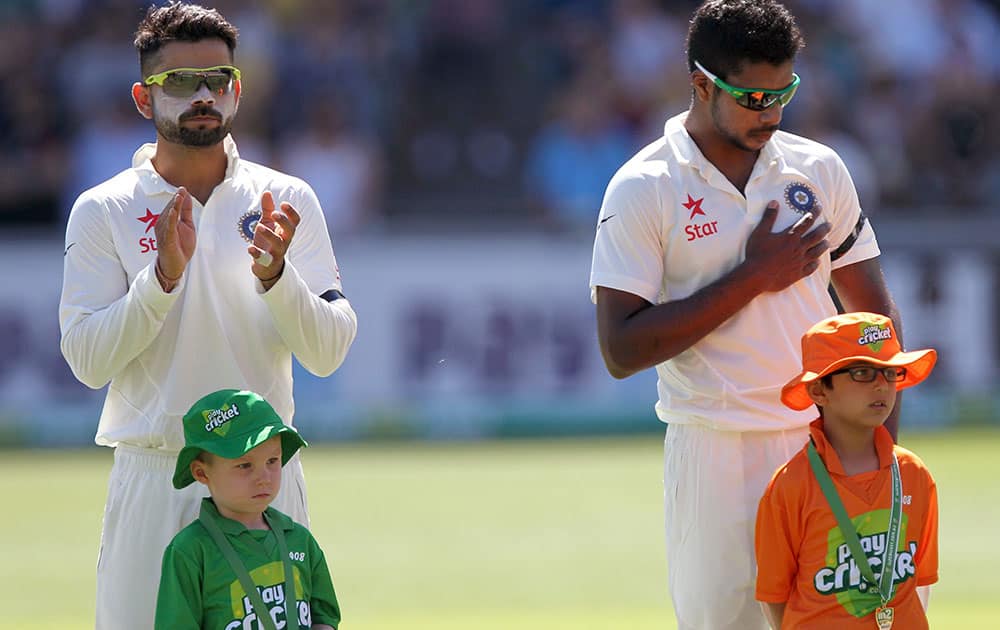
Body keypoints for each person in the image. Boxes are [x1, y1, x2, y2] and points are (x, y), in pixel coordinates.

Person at [589, 1, 902, 628]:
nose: (772, 112)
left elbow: (875, 324)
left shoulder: (819, 168)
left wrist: (881, 449)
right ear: (702, 84)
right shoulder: (643, 184)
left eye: (783, 91)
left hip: (823, 440)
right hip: (715, 451)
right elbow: (620, 350)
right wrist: (752, 278)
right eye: (752, 98)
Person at [58, 3, 358, 628]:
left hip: (261, 483)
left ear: (237, 91)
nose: (203, 95)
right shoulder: (102, 210)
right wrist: (161, 279)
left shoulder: (286, 198)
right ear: (145, 99)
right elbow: (87, 362)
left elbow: (329, 351)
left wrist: (277, 277)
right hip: (157, 474)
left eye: (217, 80)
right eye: (180, 83)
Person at [756, 312, 938, 629]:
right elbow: (774, 597)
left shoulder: (913, 474)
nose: (882, 386)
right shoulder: (790, 486)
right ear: (819, 390)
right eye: (863, 373)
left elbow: (920, 581)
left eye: (889, 372)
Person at [156, 389, 340, 630]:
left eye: (272, 461)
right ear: (202, 472)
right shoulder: (190, 550)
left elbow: (324, 617)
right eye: (244, 465)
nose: (264, 477)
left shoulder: (299, 540)